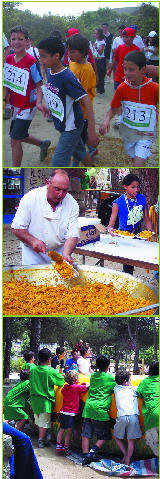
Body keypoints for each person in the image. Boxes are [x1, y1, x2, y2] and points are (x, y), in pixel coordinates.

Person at [36, 36, 99, 167]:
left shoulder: (66, 76)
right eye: (39, 56)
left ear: (57, 56)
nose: (40, 60)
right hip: (62, 123)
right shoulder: (50, 70)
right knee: (80, 151)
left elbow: (86, 100)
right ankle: (92, 170)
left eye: (43, 56)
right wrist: (41, 103)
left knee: (58, 162)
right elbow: (48, 88)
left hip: (71, 127)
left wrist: (91, 131)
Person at [99, 51, 159, 166]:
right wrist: (106, 120)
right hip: (129, 133)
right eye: (125, 69)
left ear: (143, 70)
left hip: (145, 134)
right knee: (134, 158)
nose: (127, 73)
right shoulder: (122, 88)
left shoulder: (154, 88)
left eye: (131, 70)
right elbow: (114, 107)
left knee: (138, 164)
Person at [3, 25, 51, 166]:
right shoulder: (9, 59)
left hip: (27, 107)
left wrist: (38, 102)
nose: (16, 42)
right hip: (14, 106)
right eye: (13, 39)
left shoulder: (31, 62)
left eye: (20, 39)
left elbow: (39, 85)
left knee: (15, 140)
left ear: (27, 41)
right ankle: (43, 144)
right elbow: (6, 83)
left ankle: (14, 171)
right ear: (10, 41)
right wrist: (4, 100)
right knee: (20, 135)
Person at [11, 169, 79, 265]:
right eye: (57, 189)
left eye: (65, 190)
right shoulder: (30, 198)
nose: (61, 194)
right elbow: (17, 228)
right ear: (48, 183)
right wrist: (33, 241)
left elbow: (72, 234)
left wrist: (66, 253)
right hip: (33, 254)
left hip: (59, 253)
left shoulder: (72, 203)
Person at [106, 173, 153, 274]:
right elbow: (110, 225)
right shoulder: (117, 203)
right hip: (124, 236)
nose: (136, 190)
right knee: (128, 264)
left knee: (139, 258)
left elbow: (147, 219)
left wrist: (150, 231)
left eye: (138, 187)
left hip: (138, 233)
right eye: (133, 187)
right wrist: (110, 230)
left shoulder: (142, 198)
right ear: (125, 187)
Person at [67, 33, 98, 160]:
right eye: (68, 50)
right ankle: (91, 148)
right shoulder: (72, 63)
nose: (69, 54)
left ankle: (91, 149)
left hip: (82, 111)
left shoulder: (86, 69)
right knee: (80, 135)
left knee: (82, 134)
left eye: (72, 52)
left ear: (83, 52)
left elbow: (83, 95)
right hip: (73, 108)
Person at [82, 355, 116, 465]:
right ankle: (92, 453)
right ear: (108, 366)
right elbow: (115, 387)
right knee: (105, 435)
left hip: (88, 408)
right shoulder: (110, 378)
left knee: (86, 434)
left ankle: (85, 454)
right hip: (100, 410)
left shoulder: (93, 376)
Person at [29, 348, 64, 448]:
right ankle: (41, 441)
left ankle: (46, 438)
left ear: (38, 359)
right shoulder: (50, 371)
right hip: (45, 402)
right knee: (45, 422)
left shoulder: (33, 370)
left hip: (35, 401)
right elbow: (60, 381)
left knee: (40, 421)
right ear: (49, 359)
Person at [56, 370, 89, 454]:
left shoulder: (64, 388)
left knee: (62, 429)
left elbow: (70, 389)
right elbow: (87, 387)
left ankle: (58, 445)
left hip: (63, 412)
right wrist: (85, 383)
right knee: (69, 431)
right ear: (75, 380)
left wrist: (76, 384)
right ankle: (66, 447)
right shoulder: (76, 388)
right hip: (71, 413)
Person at [113, 369, 142, 465]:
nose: (131, 382)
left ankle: (125, 454)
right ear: (126, 382)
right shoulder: (133, 389)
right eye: (130, 380)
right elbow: (141, 390)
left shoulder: (116, 388)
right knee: (131, 441)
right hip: (133, 416)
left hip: (121, 417)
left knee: (117, 437)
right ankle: (128, 459)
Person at [137, 361, 159, 457]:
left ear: (149, 371)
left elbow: (139, 393)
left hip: (152, 418)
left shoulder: (145, 382)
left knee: (154, 443)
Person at [93, 28, 106, 94]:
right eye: (94, 33)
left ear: (100, 34)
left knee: (100, 75)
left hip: (101, 60)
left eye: (96, 33)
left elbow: (100, 52)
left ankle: (101, 90)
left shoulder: (102, 42)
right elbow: (96, 52)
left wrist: (96, 48)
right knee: (96, 74)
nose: (95, 35)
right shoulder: (97, 41)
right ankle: (98, 88)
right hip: (96, 59)